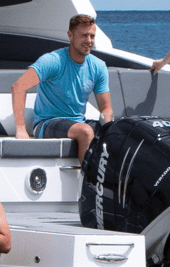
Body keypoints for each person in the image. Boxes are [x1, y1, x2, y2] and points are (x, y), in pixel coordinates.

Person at [11, 14, 113, 162]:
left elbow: (106, 109)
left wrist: (108, 126)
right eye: (84, 36)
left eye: (92, 36)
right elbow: (18, 87)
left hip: (79, 122)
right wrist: (20, 130)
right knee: (85, 132)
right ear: (70, 35)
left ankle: (112, 181)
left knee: (119, 132)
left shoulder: (98, 66)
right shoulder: (52, 61)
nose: (89, 41)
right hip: (47, 123)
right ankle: (88, 183)